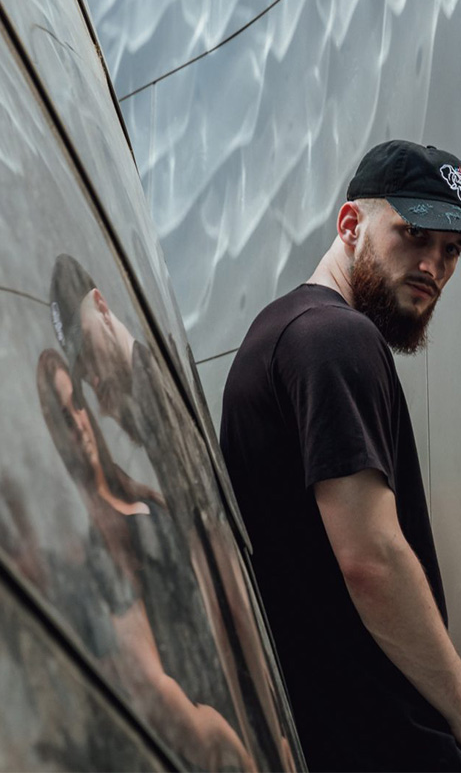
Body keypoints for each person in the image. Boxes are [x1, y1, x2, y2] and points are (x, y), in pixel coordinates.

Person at [220, 140, 461, 773]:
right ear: (350, 225)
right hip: (381, 734)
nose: (433, 265)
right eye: (414, 235)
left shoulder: (282, 330)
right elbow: (372, 558)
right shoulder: (335, 338)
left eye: (452, 250)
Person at [48, 254, 292, 770]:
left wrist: (264, 737)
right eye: (82, 372)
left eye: (86, 354)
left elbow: (220, 570)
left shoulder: (157, 398)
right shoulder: (148, 402)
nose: (92, 381)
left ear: (102, 306)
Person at [35, 349, 254, 772]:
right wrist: (230, 748)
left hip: (230, 696)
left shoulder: (135, 494)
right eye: (63, 415)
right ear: (54, 433)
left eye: (77, 403)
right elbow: (153, 687)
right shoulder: (96, 542)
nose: (78, 422)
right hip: (204, 739)